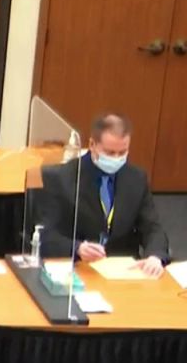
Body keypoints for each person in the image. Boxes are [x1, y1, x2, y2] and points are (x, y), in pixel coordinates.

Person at [38, 113, 170, 277]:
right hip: (76, 269)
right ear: (92, 144)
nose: (117, 158)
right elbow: (45, 235)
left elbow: (153, 228)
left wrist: (155, 256)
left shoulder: (136, 178)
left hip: (123, 272)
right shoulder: (63, 178)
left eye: (123, 152)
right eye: (110, 152)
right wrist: (77, 248)